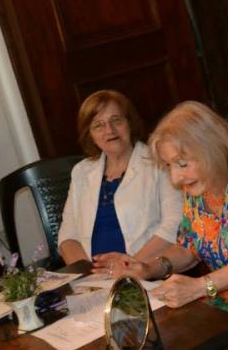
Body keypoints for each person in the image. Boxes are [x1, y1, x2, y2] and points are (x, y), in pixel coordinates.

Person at [93, 101, 228, 350]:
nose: (176, 179)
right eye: (169, 166)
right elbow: (189, 249)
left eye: (182, 163)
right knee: (167, 344)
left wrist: (200, 286)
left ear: (210, 148)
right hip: (226, 303)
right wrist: (149, 268)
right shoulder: (197, 185)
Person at [58, 90, 181, 265]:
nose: (109, 130)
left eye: (116, 120)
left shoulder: (158, 161)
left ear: (129, 123)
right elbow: (68, 237)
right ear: (90, 134)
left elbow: (173, 225)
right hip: (94, 280)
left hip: (146, 271)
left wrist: (129, 267)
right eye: (98, 125)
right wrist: (89, 276)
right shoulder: (81, 171)